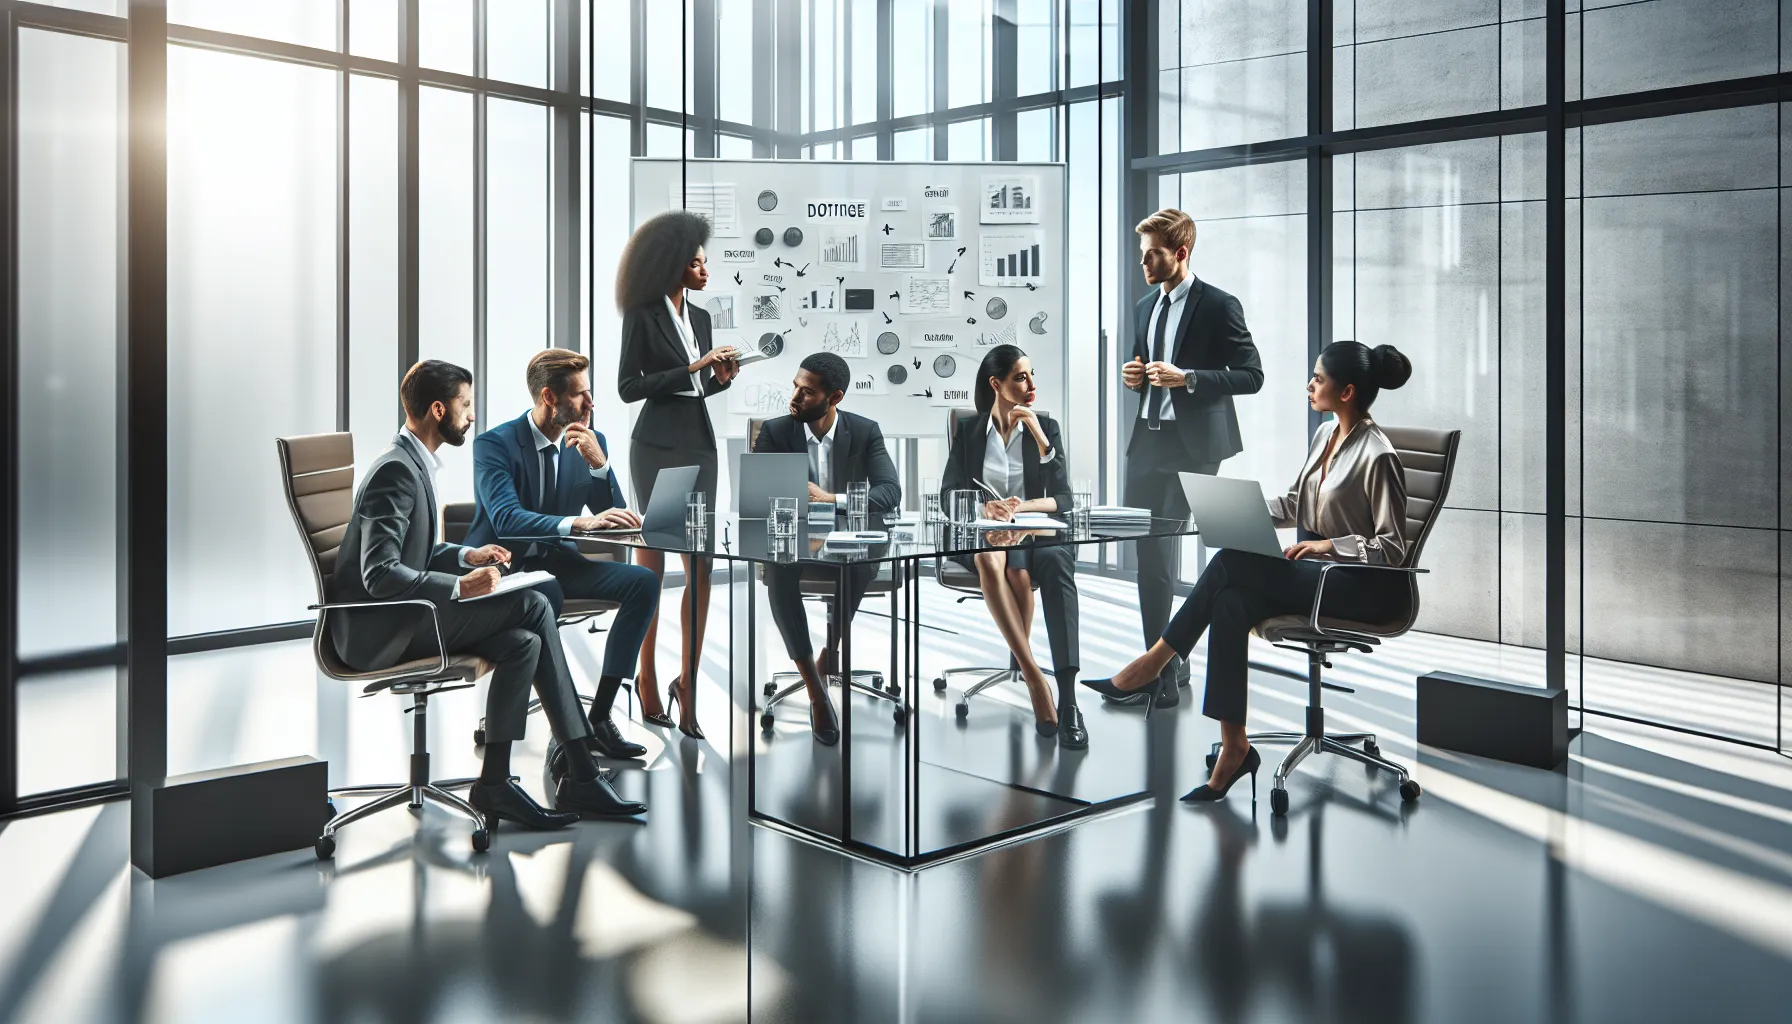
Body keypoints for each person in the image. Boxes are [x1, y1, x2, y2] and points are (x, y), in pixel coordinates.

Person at [1083, 341, 1414, 802]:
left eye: (1319, 378)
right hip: (1317, 577)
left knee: (1230, 561)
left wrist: (1328, 544)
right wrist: (1239, 506)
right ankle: (1234, 747)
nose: (1309, 385)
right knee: (1230, 601)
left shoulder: (1379, 455)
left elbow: (1393, 549)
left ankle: (1153, 663)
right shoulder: (1325, 435)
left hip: (1358, 588)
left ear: (1347, 392)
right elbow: (1296, 503)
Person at [329, 359, 646, 828]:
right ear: (439, 410)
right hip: (382, 631)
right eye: (465, 404)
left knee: (524, 642)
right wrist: (460, 585)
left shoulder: (411, 462)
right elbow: (380, 574)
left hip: (407, 615)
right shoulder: (397, 471)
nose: (472, 415)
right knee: (534, 604)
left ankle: (494, 783)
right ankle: (581, 771)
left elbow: (414, 552)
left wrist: (465, 556)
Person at [466, 347, 659, 767]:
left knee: (643, 582)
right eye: (580, 394)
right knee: (546, 593)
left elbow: (616, 517)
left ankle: (600, 716)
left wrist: (600, 467)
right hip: (504, 568)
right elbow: (506, 519)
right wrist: (579, 523)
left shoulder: (589, 442)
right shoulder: (494, 445)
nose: (591, 403)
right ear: (549, 397)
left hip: (559, 565)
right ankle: (567, 731)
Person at [1118, 208, 1263, 707]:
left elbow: (1252, 375)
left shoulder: (1219, 305)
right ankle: (1162, 666)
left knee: (1162, 546)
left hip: (1194, 446)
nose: (1144, 264)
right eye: (1142, 255)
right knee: (1146, 553)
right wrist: (1133, 376)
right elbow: (1144, 365)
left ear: (1180, 253)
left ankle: (1158, 673)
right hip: (1147, 441)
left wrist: (1190, 378)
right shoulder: (1144, 305)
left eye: (1153, 255)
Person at [616, 210, 741, 740]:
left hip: (699, 442)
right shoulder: (642, 315)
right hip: (657, 446)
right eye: (696, 263)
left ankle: (687, 683)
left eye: (705, 262)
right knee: (653, 563)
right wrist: (691, 367)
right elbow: (628, 387)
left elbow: (696, 390)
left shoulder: (702, 317)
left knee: (701, 565)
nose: (705, 270)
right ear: (671, 264)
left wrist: (720, 378)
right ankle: (645, 676)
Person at [940, 344, 1087, 750]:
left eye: (1031, 375)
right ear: (996, 384)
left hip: (1034, 534)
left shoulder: (1046, 427)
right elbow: (949, 492)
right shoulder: (970, 431)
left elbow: (1064, 498)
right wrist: (985, 508)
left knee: (1053, 565)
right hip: (984, 533)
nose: (1031, 385)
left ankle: (1069, 700)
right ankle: (1036, 679)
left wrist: (1038, 442)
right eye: (1021, 377)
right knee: (991, 558)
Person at [752, 352, 902, 745]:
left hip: (849, 542)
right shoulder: (776, 431)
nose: (795, 397)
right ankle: (815, 689)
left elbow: (890, 492)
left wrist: (829, 499)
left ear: (834, 397)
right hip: (794, 540)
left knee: (861, 562)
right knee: (779, 570)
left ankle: (830, 651)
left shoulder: (865, 432)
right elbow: (759, 497)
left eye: (807, 392)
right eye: (795, 387)